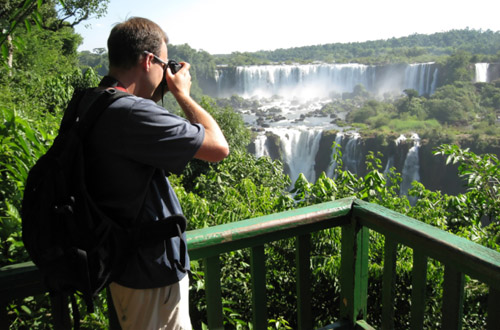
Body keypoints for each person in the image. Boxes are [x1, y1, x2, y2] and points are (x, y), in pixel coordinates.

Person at [83, 17, 229, 330]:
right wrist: (183, 94)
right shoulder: (132, 113)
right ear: (149, 60)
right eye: (164, 63)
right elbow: (218, 147)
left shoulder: (95, 101)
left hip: (123, 265)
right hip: (150, 275)